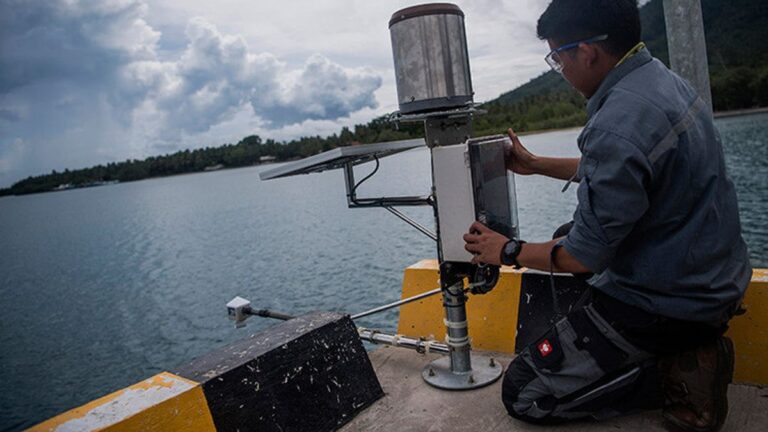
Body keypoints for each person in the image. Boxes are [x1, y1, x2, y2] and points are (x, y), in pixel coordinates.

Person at [462, 1, 752, 431]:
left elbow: (582, 257)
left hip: (672, 302)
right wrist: (537, 163)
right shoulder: (662, 84)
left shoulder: (617, 121)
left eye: (557, 58)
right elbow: (627, 172)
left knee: (524, 393)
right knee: (565, 232)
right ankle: (666, 346)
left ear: (588, 53)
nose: (559, 69)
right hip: (709, 277)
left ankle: (680, 374)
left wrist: (504, 250)